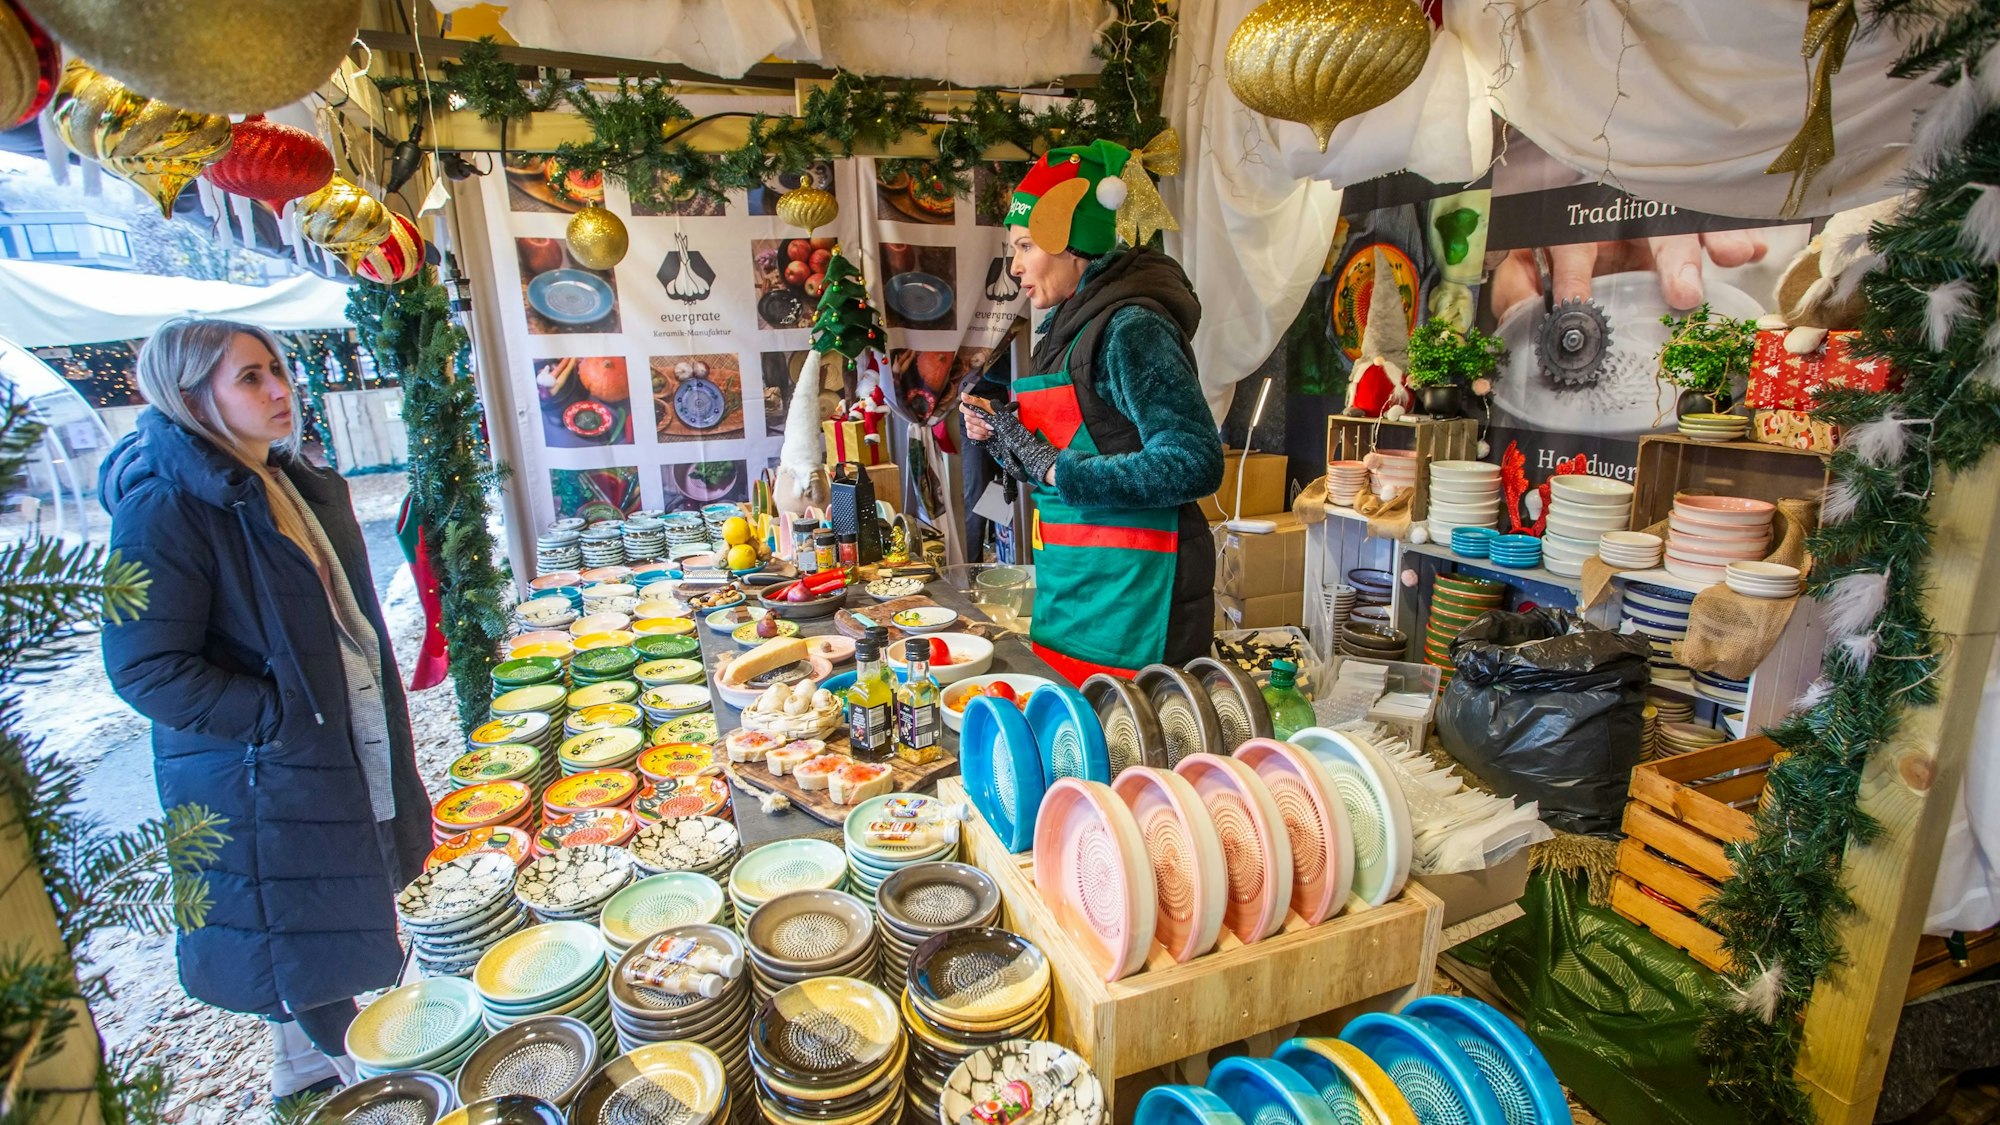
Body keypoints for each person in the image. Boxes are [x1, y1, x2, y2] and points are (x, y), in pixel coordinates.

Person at [98, 318, 432, 1097]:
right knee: (300, 927)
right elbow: (144, 667)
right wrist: (276, 717)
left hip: (317, 740)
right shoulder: (163, 507)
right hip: (261, 770)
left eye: (277, 369)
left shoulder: (274, 476)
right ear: (191, 395)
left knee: (325, 902)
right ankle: (373, 1082)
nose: (281, 389)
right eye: (250, 378)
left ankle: (303, 1060)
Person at [960, 140, 1223, 684]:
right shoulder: (1066, 327)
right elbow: (1089, 442)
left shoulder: (1132, 328)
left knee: (1136, 756)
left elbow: (1195, 461)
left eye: (1026, 245)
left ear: (1071, 243)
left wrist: (1055, 468)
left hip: (1138, 598)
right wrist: (1007, 442)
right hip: (1077, 587)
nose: (1014, 265)